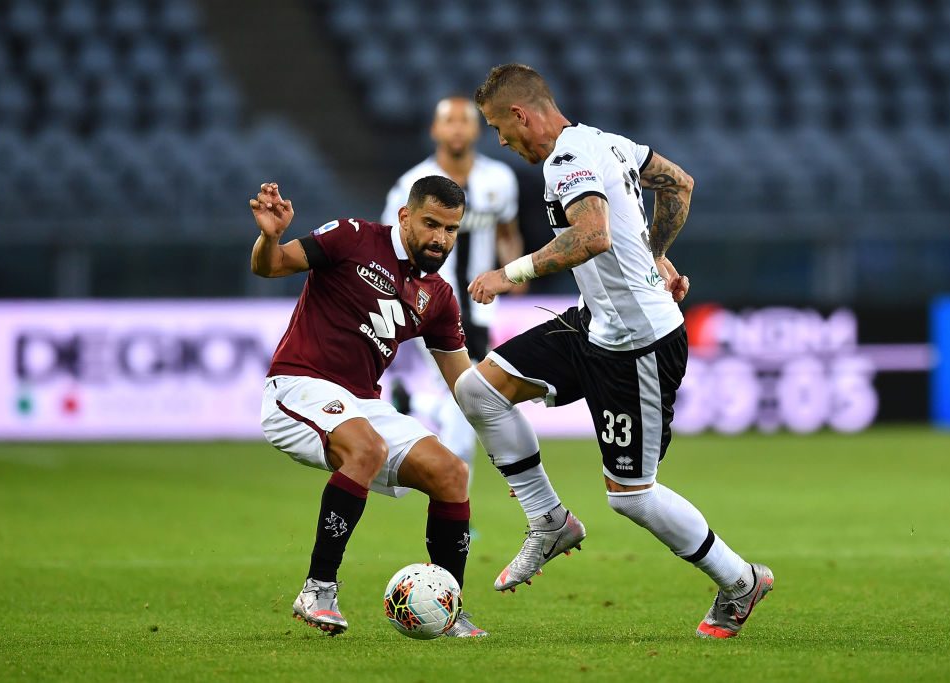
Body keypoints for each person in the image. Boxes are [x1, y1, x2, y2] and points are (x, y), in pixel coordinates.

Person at [452, 64, 774, 639]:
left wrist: (511, 272)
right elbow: (679, 183)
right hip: (595, 324)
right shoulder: (607, 142)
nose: (502, 141)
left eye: (501, 128)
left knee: (632, 497)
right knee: (478, 389)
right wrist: (653, 255)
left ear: (522, 115)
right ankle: (548, 519)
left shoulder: (566, 160)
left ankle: (739, 580)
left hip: (640, 345)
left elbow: (592, 235)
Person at [251, 176, 486, 638]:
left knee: (451, 472)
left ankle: (449, 606)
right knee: (367, 448)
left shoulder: (438, 297)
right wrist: (270, 236)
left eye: (452, 229)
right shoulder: (352, 238)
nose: (441, 239)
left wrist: (522, 392)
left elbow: (465, 385)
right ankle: (318, 589)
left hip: (360, 401)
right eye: (431, 224)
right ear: (405, 216)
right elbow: (271, 266)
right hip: (298, 385)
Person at [382, 96, 523, 484]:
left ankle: (413, 403)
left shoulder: (500, 180)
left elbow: (508, 234)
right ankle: (456, 494)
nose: (458, 128)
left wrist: (514, 272)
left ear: (477, 130)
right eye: (449, 121)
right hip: (433, 303)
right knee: (471, 392)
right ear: (435, 130)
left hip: (483, 304)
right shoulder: (410, 186)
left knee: (468, 393)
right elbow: (389, 246)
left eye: (465, 120)